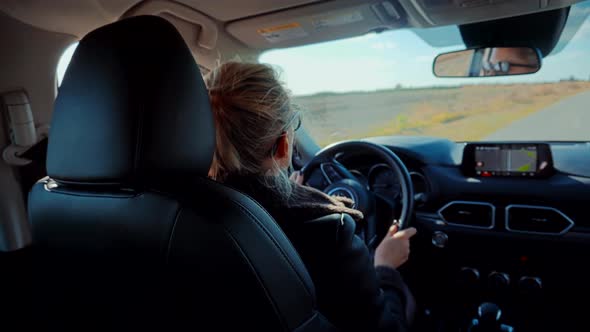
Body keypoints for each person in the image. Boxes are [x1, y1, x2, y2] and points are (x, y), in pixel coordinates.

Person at [206, 62, 417, 331]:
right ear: (283, 146)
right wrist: (385, 267)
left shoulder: (176, 208)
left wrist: (292, 193)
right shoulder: (328, 232)